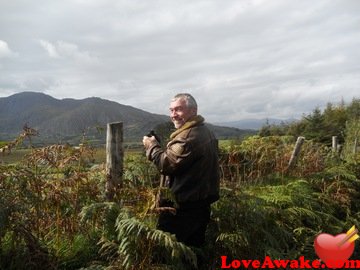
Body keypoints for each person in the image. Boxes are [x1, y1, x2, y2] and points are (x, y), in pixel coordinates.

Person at [142, 93, 220, 248]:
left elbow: (167, 164)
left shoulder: (188, 136)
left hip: (182, 208)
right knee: (193, 251)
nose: (173, 115)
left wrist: (151, 146)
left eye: (178, 109)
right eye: (171, 110)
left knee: (170, 252)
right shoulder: (205, 130)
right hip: (200, 203)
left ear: (193, 110)